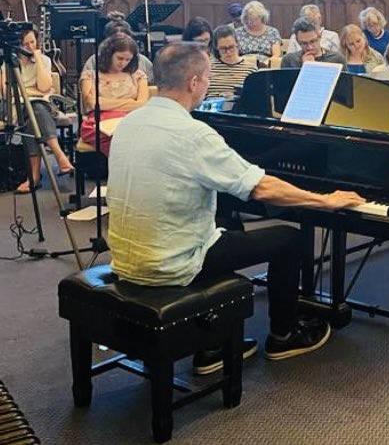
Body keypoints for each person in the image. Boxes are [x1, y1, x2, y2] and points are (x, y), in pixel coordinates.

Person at [106, 43, 365, 371]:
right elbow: (259, 186)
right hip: (171, 264)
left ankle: (212, 340)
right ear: (194, 83)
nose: (208, 85)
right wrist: (325, 200)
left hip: (127, 258)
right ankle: (284, 336)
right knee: (290, 240)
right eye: (208, 79)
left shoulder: (130, 122)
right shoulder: (194, 134)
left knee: (227, 222)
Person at [3, 27, 75, 192]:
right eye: (24, 43)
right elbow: (8, 92)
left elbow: (44, 87)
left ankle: (34, 177)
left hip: (37, 106)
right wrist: (32, 92)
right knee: (35, 110)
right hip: (15, 106)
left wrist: (37, 58)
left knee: (33, 117)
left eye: (32, 42)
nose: (28, 47)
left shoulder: (44, 60)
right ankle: (60, 156)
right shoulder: (9, 62)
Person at [79, 33, 150, 155]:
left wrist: (105, 102)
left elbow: (142, 105)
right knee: (123, 139)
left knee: (130, 134)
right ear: (109, 54)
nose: (123, 63)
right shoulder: (90, 75)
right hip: (98, 124)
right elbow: (91, 103)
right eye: (120, 58)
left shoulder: (138, 76)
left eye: (128, 59)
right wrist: (129, 103)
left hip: (130, 121)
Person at [207, 25, 259, 98]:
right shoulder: (208, 68)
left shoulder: (250, 69)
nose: (228, 52)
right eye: (223, 49)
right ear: (216, 47)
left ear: (237, 44)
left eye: (231, 47)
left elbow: (255, 96)